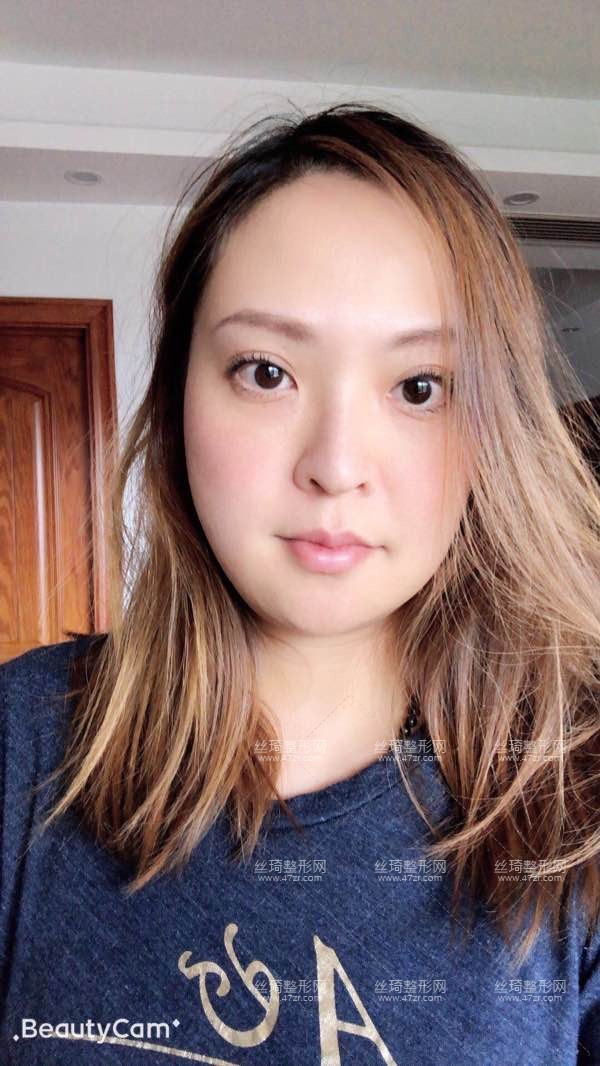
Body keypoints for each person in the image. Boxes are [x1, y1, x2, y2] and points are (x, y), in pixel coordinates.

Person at [1, 102, 599, 1065]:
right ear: (177, 399)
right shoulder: (20, 750)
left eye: (419, 388)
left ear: (495, 427)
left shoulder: (578, 815)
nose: (335, 466)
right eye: (267, 372)